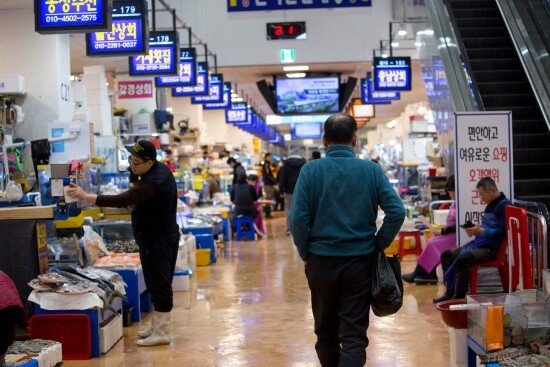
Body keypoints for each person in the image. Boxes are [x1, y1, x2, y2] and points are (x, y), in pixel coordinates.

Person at [288, 113, 406, 367]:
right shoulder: (371, 171)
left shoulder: (311, 170)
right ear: (355, 139)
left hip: (321, 261)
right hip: (359, 262)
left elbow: (297, 219)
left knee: (326, 331)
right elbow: (397, 211)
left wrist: (306, 252)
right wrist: (378, 243)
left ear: (324, 140)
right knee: (353, 335)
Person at [67, 140, 180, 347]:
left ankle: (163, 332)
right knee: (154, 281)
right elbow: (143, 201)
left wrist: (84, 196)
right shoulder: (154, 171)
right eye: (131, 160)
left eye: (136, 162)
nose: (132, 166)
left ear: (149, 161)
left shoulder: (153, 180)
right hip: (154, 237)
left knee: (160, 282)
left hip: (160, 239)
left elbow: (121, 200)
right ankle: (156, 325)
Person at [433, 177, 511, 303]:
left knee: (464, 259)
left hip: (492, 249)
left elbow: (504, 232)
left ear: (491, 190)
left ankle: (459, 297)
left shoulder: (505, 206)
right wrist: (475, 230)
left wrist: (482, 231)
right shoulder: (490, 205)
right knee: (446, 256)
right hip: (480, 243)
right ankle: (450, 292)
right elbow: (486, 227)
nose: (481, 198)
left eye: (482, 194)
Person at [402, 175, 456, 284]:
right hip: (450, 234)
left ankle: (421, 273)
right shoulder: (455, 203)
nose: (449, 194)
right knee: (431, 241)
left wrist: (441, 232)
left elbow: (456, 225)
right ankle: (426, 273)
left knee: (433, 243)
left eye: (451, 191)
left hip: (455, 236)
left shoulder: (460, 204)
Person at [278, 151, 306, 235]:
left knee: (289, 209)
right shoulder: (303, 163)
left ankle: (290, 229)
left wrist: (281, 190)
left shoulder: (285, 165)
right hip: (301, 190)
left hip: (288, 191)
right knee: (301, 209)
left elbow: (282, 178)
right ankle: (301, 228)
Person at [261, 153, 277, 218]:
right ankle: (268, 213)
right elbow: (267, 175)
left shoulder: (267, 164)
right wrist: (273, 181)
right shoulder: (266, 165)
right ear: (267, 157)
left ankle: (268, 213)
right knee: (268, 198)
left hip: (268, 184)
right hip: (268, 184)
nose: (271, 158)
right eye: (270, 157)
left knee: (268, 198)